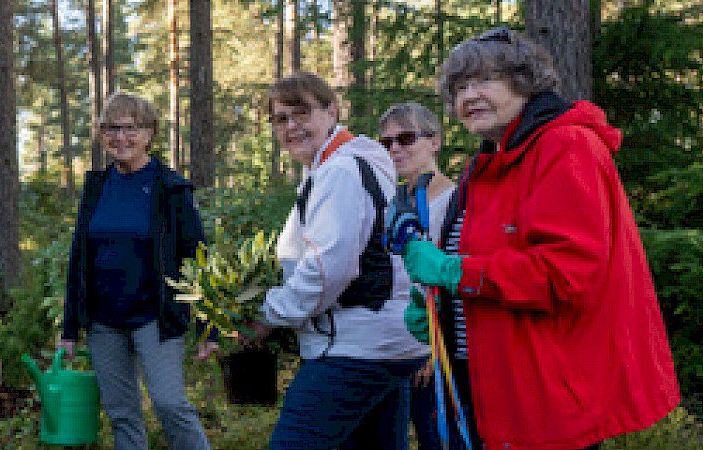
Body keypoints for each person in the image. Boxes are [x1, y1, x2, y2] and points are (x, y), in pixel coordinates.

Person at [400, 27, 679, 450]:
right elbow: (482, 264)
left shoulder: (566, 147)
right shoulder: (487, 164)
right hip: (483, 385)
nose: (468, 95)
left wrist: (456, 272)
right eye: (459, 87)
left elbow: (565, 274)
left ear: (524, 82)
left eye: (483, 80)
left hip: (543, 395)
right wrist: (439, 309)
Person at [243, 73, 430, 450]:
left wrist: (267, 314)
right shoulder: (340, 166)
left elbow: (328, 269)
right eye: (280, 119)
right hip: (382, 340)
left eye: (301, 113)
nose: (291, 126)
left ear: (331, 111)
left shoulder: (340, 172)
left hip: (354, 346)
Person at [56, 92, 213, 450]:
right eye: (111, 128)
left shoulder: (171, 188)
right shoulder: (97, 186)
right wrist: (70, 328)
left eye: (130, 128)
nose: (120, 137)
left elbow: (197, 257)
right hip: (103, 321)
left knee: (171, 404)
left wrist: (209, 326)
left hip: (156, 318)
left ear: (149, 133)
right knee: (122, 414)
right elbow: (78, 258)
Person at [375, 102, 457, 450]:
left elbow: (453, 278)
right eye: (387, 142)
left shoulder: (457, 201)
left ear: (435, 141)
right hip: (385, 347)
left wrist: (433, 350)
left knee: (436, 439)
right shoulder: (388, 203)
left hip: (432, 349)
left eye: (406, 138)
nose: (395, 148)